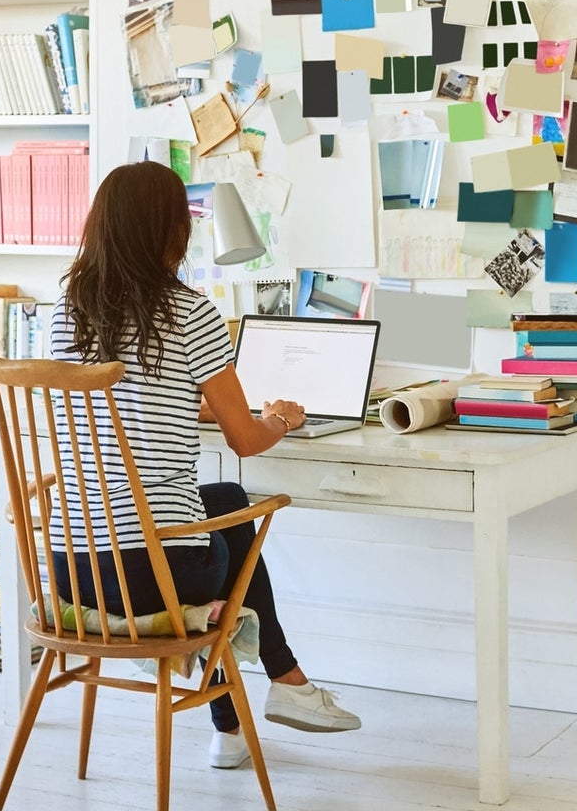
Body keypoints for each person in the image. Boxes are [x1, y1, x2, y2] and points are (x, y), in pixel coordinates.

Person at [47, 161, 361, 769]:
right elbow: (246, 441)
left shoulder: (68, 312)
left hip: (73, 571)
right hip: (151, 577)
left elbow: (126, 402)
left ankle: (238, 724)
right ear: (170, 231)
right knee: (234, 507)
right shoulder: (191, 313)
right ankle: (285, 679)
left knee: (218, 502)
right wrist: (282, 419)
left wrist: (197, 406)